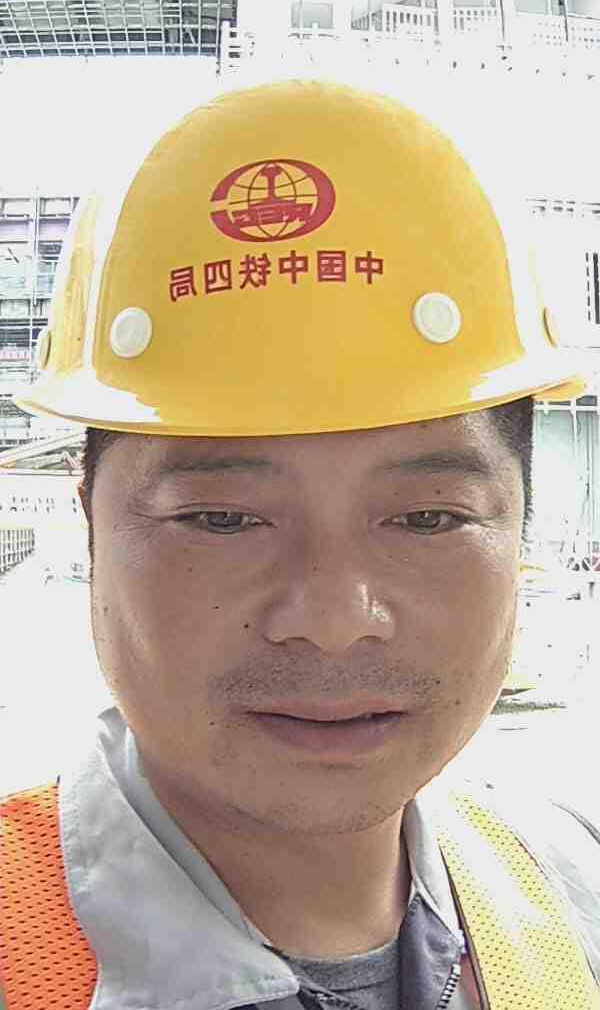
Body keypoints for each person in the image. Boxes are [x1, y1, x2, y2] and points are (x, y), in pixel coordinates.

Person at [1, 79, 599, 1010]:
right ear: (89, 522)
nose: (333, 620)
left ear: (520, 520)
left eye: (428, 518)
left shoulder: (570, 887)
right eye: (223, 519)